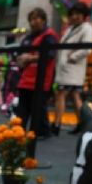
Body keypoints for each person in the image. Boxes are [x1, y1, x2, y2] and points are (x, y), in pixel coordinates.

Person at [16, 8, 59, 138]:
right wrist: (21, 60)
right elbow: (19, 55)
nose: (33, 22)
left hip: (41, 79)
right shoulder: (28, 38)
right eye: (31, 20)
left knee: (38, 107)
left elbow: (49, 55)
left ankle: (42, 132)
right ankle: (19, 130)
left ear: (44, 20)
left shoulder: (49, 36)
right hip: (25, 78)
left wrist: (29, 58)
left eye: (36, 19)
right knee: (23, 108)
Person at [54, 1, 92, 135]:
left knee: (61, 94)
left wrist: (73, 57)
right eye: (73, 14)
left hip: (72, 68)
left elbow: (87, 49)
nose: (75, 16)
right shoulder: (70, 29)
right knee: (75, 96)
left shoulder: (87, 28)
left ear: (84, 15)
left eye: (78, 14)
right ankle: (82, 124)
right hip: (67, 68)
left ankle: (57, 124)